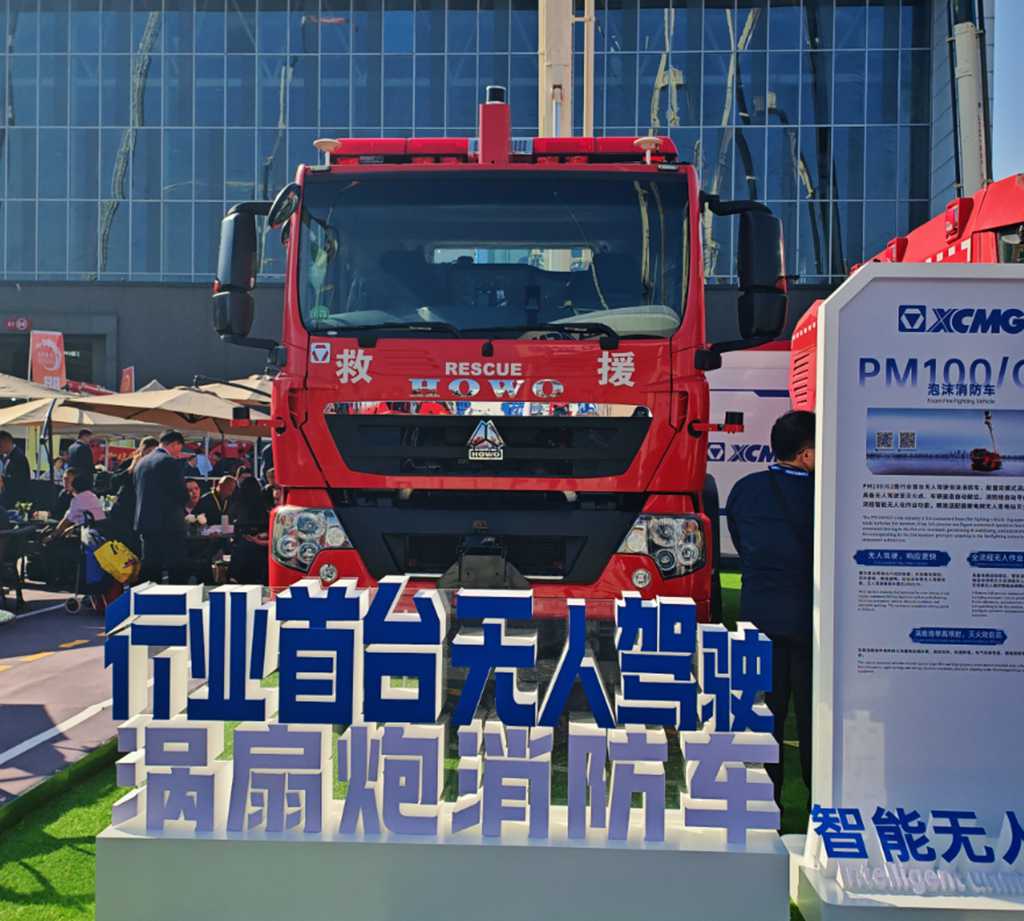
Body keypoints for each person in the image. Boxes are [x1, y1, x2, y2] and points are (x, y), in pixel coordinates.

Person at [726, 410, 816, 814]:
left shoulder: (745, 490)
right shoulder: (825, 495)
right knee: (816, 721)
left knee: (766, 719)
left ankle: (765, 809)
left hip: (759, 619)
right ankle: (821, 812)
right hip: (813, 624)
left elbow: (742, 543)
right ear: (807, 454)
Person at [133, 429, 190, 584]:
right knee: (176, 567)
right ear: (174, 444)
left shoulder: (141, 462)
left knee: (150, 566)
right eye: (179, 449)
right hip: (169, 522)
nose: (179, 454)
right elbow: (180, 493)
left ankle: (148, 596)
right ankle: (176, 597)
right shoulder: (169, 462)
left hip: (146, 522)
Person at [108, 437, 159, 536]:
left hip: (143, 510)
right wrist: (131, 467)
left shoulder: (155, 465)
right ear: (142, 450)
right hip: (125, 508)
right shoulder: (129, 462)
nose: (150, 455)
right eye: (148, 451)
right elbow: (114, 482)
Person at [227, 475, 269, 584]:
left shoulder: (238, 505)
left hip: (244, 544)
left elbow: (234, 523)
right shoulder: (264, 505)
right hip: (261, 549)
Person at [45, 473, 106, 542]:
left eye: (68, 480)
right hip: (97, 533)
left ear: (74, 485)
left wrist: (51, 536)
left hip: (88, 536)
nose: (65, 483)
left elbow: (66, 521)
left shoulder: (78, 499)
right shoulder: (92, 496)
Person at [0, 430, 32, 510]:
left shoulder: (18, 457)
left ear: (6, 442)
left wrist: (3, 479)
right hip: (9, 498)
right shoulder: (7, 457)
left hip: (16, 500)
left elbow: (19, 480)